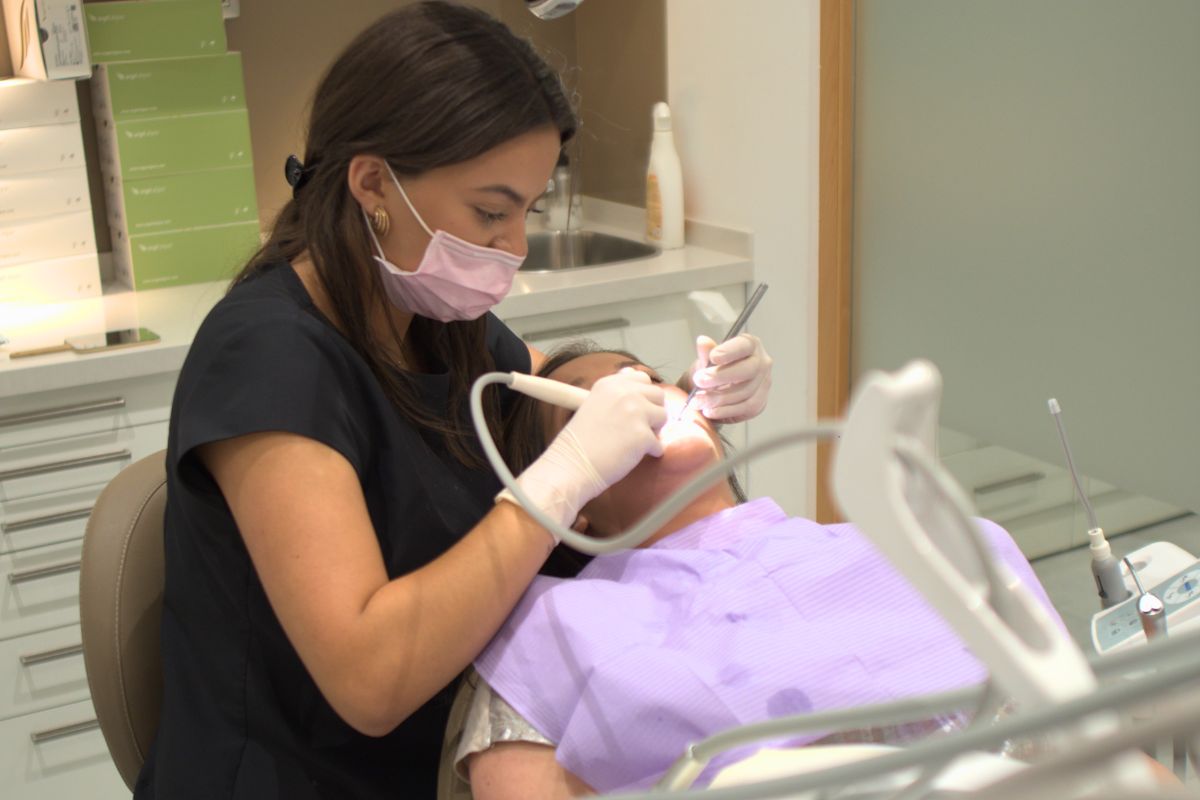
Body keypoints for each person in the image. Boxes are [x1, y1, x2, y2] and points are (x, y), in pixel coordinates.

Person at [139, 4, 774, 799]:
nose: (514, 246)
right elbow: (369, 679)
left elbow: (545, 381)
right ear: (373, 183)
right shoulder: (268, 360)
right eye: (490, 211)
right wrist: (563, 479)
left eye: (528, 213)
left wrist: (651, 388)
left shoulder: (424, 314)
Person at [452, 343, 1065, 799]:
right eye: (591, 407)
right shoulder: (550, 626)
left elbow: (1078, 730)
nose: (636, 387)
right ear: (575, 506)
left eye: (646, 376)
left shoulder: (938, 546)